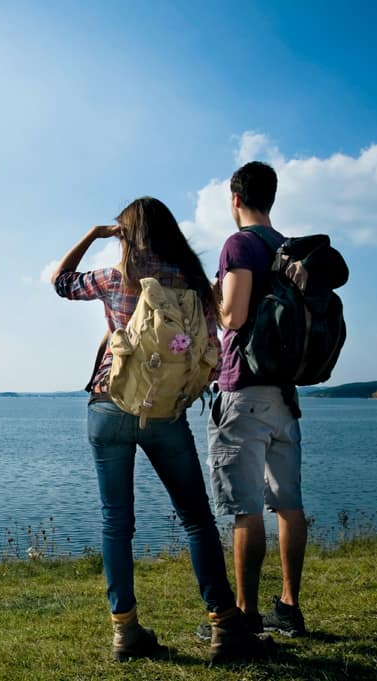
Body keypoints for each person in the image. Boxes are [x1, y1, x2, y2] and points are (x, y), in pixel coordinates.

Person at [52, 196, 272, 662]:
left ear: (127, 234)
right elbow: (212, 343)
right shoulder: (193, 281)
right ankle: (224, 626)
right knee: (196, 518)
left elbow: (61, 283)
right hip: (166, 414)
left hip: (109, 406)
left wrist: (94, 236)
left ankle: (125, 631)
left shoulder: (116, 277)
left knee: (117, 521)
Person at [207, 161, 308, 638]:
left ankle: (245, 618)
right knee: (288, 504)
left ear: (235, 200)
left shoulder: (239, 245)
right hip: (285, 396)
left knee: (246, 509)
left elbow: (234, 315)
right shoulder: (287, 249)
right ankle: (289, 606)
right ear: (271, 197)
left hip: (243, 389)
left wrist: (214, 299)